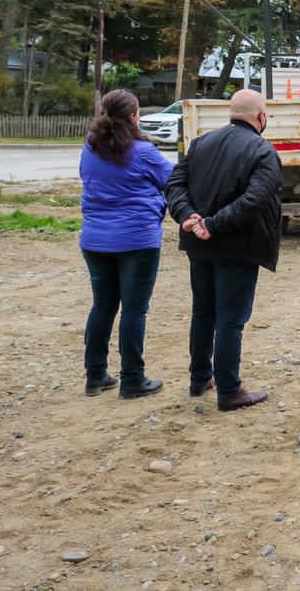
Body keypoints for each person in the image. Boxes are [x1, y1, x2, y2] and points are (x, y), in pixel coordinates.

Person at [166, 89, 282, 411]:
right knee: (231, 318)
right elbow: (254, 200)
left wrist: (188, 215)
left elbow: (175, 183)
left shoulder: (201, 143)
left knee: (204, 311)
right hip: (238, 247)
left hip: (199, 245)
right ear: (261, 117)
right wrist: (211, 224)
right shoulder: (263, 151)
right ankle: (229, 389)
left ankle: (200, 377)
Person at [79, 90, 174, 399]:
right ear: (135, 117)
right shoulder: (143, 151)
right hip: (137, 239)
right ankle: (132, 377)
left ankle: (95, 376)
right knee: (134, 310)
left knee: (103, 306)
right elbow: (171, 179)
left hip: (95, 239)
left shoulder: (89, 149)